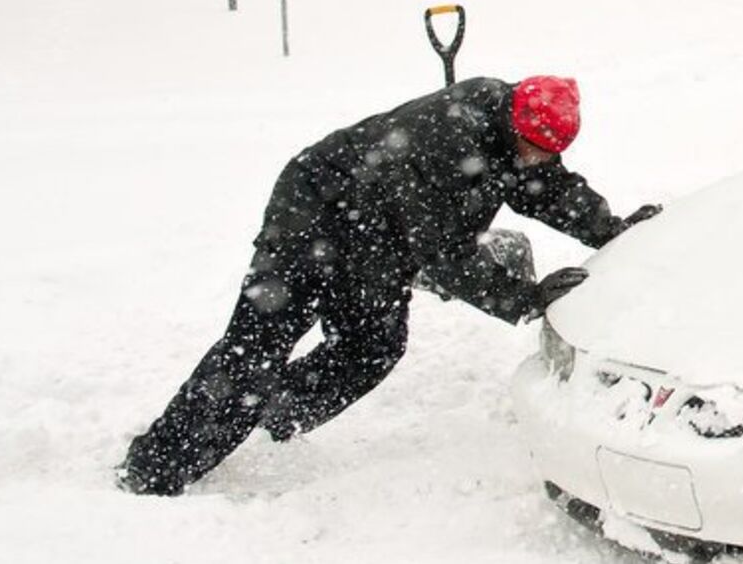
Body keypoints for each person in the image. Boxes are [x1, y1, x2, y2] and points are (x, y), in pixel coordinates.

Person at [117, 76, 660, 496]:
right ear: (515, 121)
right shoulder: (444, 140)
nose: (539, 157)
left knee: (371, 347)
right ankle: (155, 467)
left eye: (549, 149)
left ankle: (271, 415)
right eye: (535, 147)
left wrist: (609, 231)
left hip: (377, 231)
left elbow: (545, 187)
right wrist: (521, 299)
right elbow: (443, 252)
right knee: (257, 345)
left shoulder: (514, 133)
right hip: (316, 213)